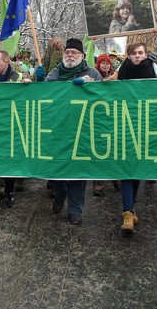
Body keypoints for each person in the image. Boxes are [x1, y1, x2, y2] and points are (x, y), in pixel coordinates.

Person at [45, 38, 103, 225]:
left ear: (82, 56)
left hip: (82, 130)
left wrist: (87, 87)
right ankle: (60, 195)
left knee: (78, 172)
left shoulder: (92, 73)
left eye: (74, 52)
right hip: (58, 129)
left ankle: (75, 210)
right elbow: (45, 97)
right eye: (67, 52)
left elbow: (102, 97)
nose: (70, 55)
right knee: (59, 171)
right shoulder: (54, 73)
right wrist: (40, 82)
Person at [115, 42, 157, 234]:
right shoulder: (122, 70)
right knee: (126, 168)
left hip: (144, 127)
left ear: (146, 54)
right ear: (129, 56)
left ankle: (132, 207)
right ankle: (127, 212)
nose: (137, 56)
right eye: (134, 53)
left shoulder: (154, 71)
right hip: (124, 127)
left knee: (137, 168)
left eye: (140, 53)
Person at [0, 50, 28, 218]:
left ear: (7, 62)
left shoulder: (19, 79)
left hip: (12, 128)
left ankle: (9, 191)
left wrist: (33, 84)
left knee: (10, 162)